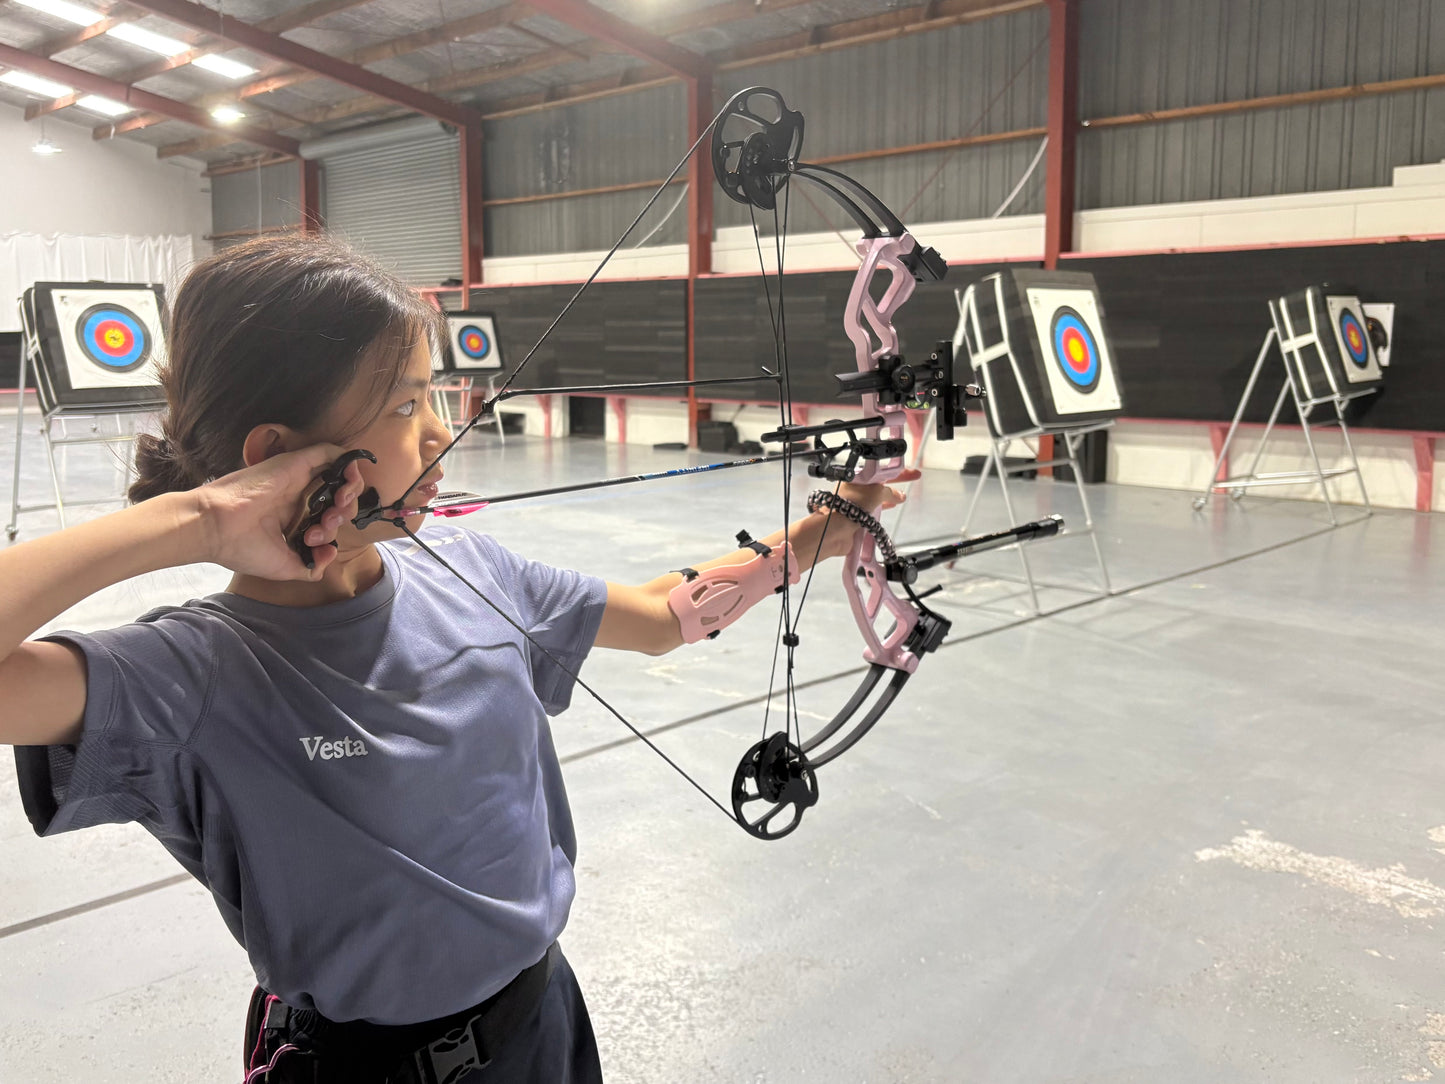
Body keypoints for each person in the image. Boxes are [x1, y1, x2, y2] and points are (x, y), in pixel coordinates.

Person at [0, 234, 911, 1083]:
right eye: (404, 406)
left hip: (543, 1017)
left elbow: (666, 615)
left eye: (433, 394)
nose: (442, 432)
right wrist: (197, 520)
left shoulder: (473, 570)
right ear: (278, 458)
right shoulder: (188, 674)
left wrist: (828, 530)